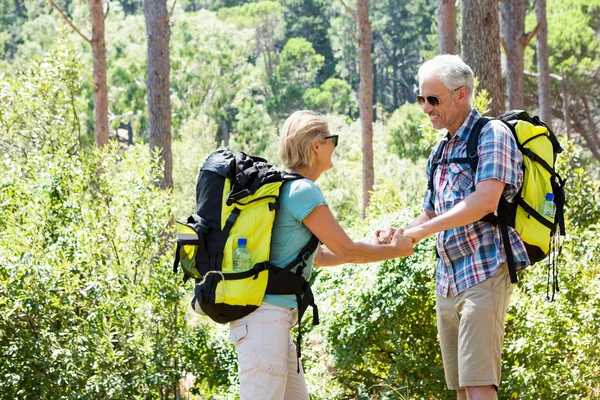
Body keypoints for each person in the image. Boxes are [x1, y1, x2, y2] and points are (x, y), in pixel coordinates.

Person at [228, 110, 414, 400]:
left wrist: (372, 244)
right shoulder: (303, 191)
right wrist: (395, 251)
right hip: (266, 323)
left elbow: (322, 255)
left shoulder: (286, 189)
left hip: (271, 323)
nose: (335, 146)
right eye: (332, 139)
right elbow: (348, 251)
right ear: (316, 145)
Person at [380, 55, 529, 399]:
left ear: (461, 94)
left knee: (478, 385)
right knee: (462, 389)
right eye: (422, 99)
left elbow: (483, 202)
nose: (426, 108)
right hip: (447, 279)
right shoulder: (440, 150)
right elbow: (429, 214)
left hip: (484, 271)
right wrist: (400, 231)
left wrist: (421, 233)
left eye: (434, 99)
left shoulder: (492, 135)